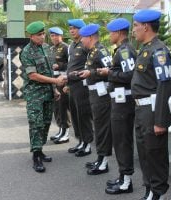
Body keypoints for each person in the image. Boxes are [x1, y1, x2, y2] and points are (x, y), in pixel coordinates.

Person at [131, 10, 171, 200]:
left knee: (155, 153)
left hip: (152, 109)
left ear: (145, 26)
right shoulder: (146, 48)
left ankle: (159, 193)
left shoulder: (159, 50)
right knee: (144, 152)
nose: (134, 30)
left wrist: (161, 121)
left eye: (135, 26)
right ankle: (149, 188)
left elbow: (164, 86)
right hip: (141, 108)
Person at [20, 21, 66, 173]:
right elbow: (33, 75)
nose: (42, 37)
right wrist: (55, 82)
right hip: (34, 95)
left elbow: (48, 71)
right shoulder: (26, 52)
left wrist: (54, 90)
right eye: (39, 35)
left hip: (48, 93)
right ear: (31, 36)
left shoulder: (46, 48)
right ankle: (36, 156)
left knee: (46, 122)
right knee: (36, 123)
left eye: (43, 34)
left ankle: (40, 150)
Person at [99, 18, 136, 195]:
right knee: (119, 141)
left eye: (111, 32)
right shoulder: (121, 50)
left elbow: (130, 75)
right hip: (119, 101)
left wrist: (109, 72)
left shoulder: (125, 51)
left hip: (124, 103)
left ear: (120, 33)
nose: (109, 35)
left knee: (122, 142)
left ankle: (126, 182)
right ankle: (122, 177)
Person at [78, 24, 112, 175]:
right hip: (94, 94)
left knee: (102, 128)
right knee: (98, 127)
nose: (81, 41)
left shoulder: (101, 50)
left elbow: (110, 71)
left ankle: (104, 162)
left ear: (90, 37)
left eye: (82, 38)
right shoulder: (92, 51)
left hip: (102, 95)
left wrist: (91, 72)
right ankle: (100, 158)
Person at [66, 19, 94, 157]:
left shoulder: (85, 45)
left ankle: (87, 144)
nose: (72, 31)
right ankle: (80, 141)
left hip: (82, 85)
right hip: (72, 85)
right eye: (70, 28)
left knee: (83, 115)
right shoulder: (71, 46)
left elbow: (91, 64)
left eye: (75, 28)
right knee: (75, 115)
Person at [48, 27, 71, 144]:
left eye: (56, 35)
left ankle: (66, 133)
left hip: (63, 80)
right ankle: (60, 129)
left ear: (61, 36)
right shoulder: (51, 48)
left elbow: (71, 64)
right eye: (52, 35)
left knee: (63, 106)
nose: (54, 38)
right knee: (57, 107)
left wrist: (60, 66)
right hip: (54, 80)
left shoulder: (66, 47)